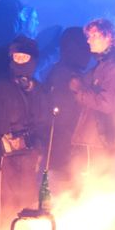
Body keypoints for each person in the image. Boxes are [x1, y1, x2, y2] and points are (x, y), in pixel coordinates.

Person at [0, 36, 47, 230]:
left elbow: (42, 121)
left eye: (25, 57)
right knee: (3, 201)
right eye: (17, 57)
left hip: (29, 154)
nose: (20, 61)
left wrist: (38, 146)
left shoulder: (39, 89)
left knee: (26, 199)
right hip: (4, 156)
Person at [69, 19, 115, 176]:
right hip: (97, 139)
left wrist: (79, 90)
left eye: (94, 35)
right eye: (88, 36)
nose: (89, 40)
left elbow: (107, 103)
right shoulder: (104, 65)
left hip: (99, 140)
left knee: (95, 186)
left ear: (108, 36)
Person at [42, 27, 92, 188]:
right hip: (64, 148)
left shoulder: (60, 71)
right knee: (63, 193)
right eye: (85, 48)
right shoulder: (65, 76)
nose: (89, 53)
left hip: (61, 147)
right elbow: (64, 115)